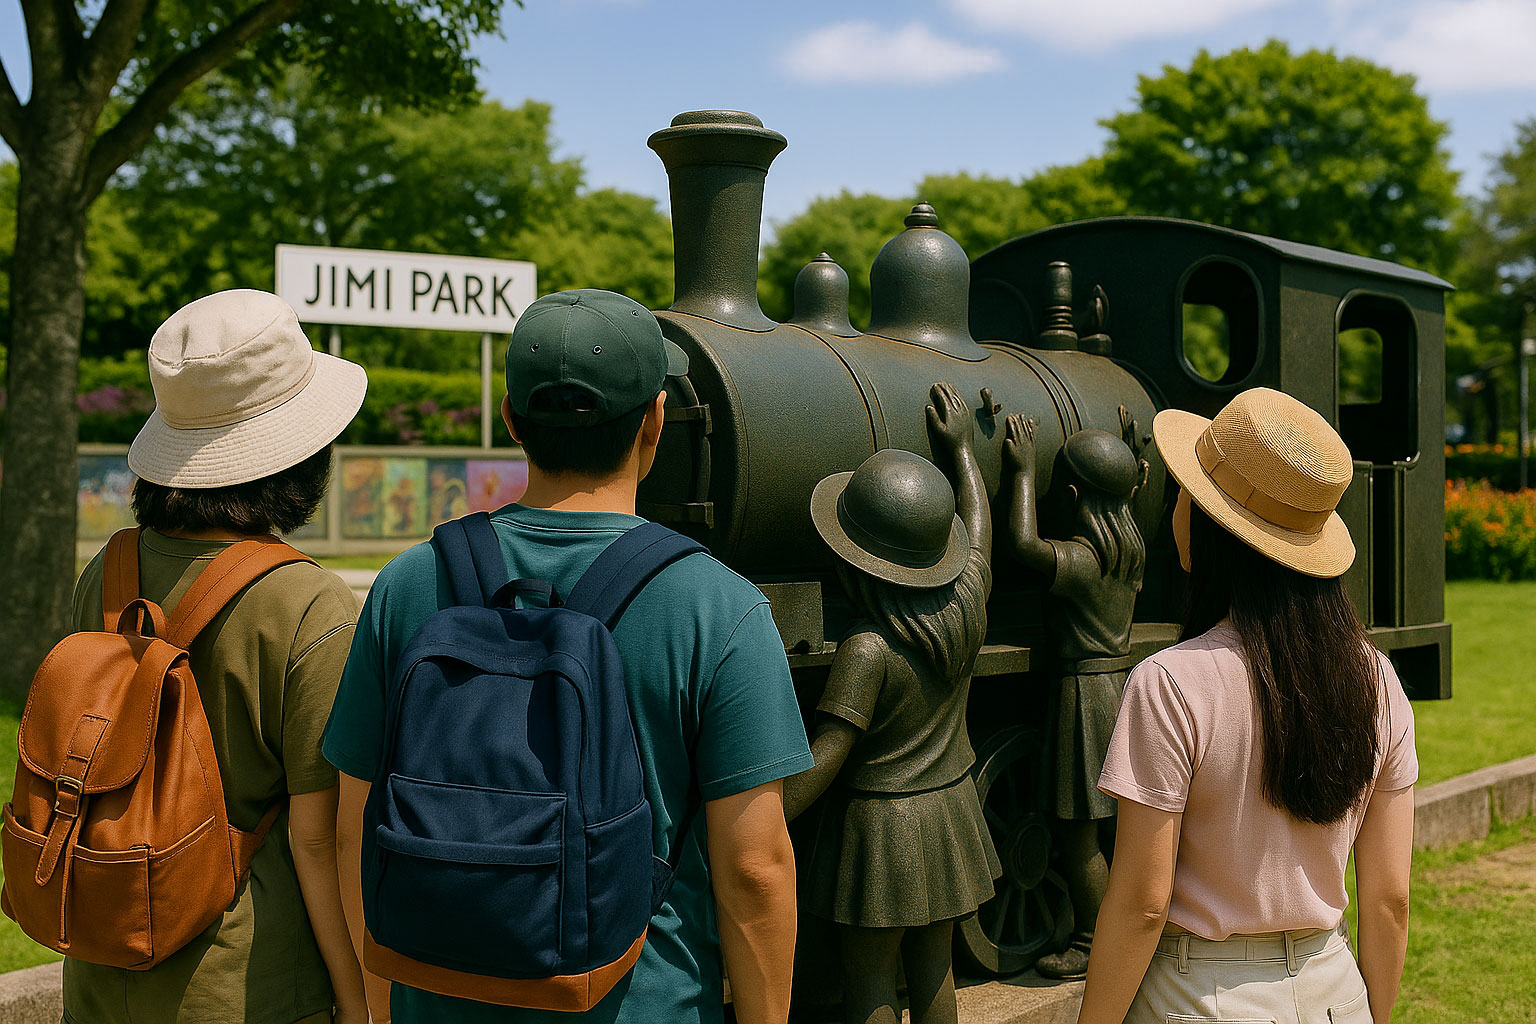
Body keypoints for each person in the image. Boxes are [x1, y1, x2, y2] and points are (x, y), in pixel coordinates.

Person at [322, 288, 811, 1024]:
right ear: (655, 422)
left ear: (513, 421)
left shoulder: (407, 584)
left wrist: (383, 1008)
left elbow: (357, 825)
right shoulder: (720, 605)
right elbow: (753, 867)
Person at [63, 289, 372, 1024]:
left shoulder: (106, 574)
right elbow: (319, 839)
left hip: (99, 970)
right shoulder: (308, 603)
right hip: (249, 987)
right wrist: (360, 1000)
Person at [1078, 387, 1416, 1024]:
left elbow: (1143, 905)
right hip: (1333, 992)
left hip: (1199, 999)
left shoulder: (1169, 682)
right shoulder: (1378, 681)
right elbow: (1390, 899)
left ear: (1210, 524)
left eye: (1184, 490)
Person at [784, 382, 1001, 1024]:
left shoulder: (866, 649)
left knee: (870, 976)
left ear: (858, 566)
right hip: (947, 811)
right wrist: (961, 449)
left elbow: (828, 754)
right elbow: (981, 532)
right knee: (935, 968)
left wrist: (764, 813)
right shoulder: (968, 606)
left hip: (879, 831)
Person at [1000, 410, 1150, 980]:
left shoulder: (1085, 561)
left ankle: (1093, 941)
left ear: (1071, 494)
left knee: (1078, 829)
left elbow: (1021, 544)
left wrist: (1020, 470)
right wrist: (1134, 461)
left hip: (1083, 694)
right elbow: (1125, 493)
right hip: (1118, 687)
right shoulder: (1127, 554)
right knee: (1112, 823)